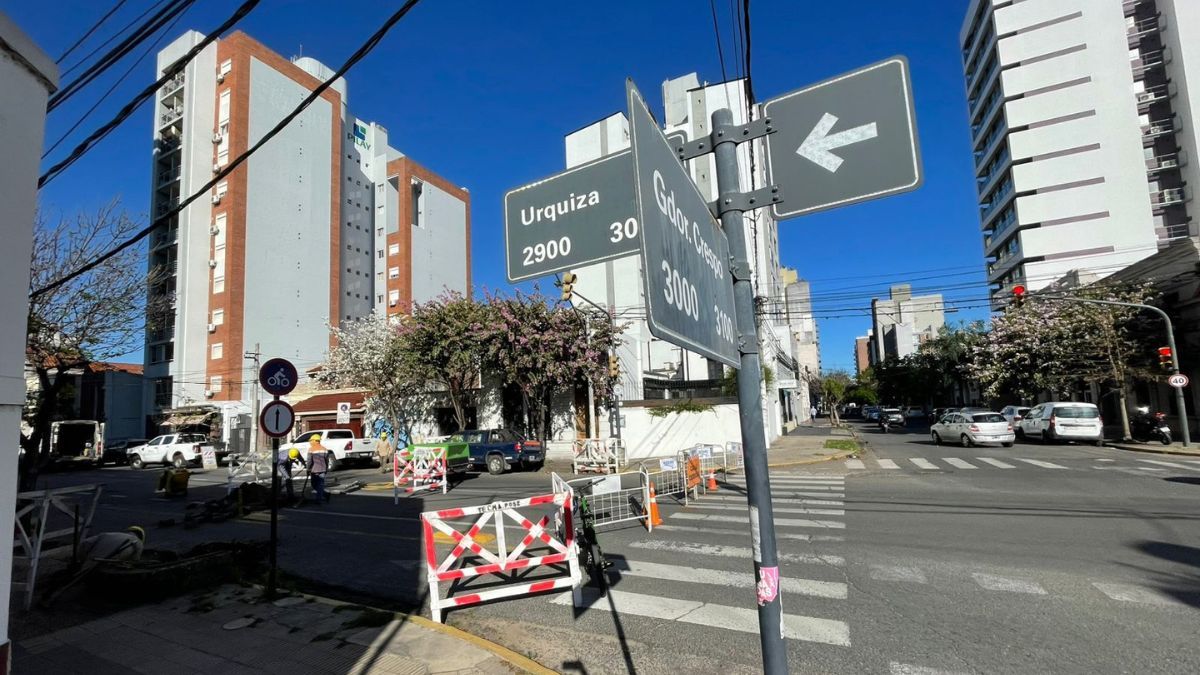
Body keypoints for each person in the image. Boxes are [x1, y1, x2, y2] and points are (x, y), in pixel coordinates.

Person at [306, 434, 332, 504]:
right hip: (323, 469)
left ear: (314, 441)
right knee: (320, 485)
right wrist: (326, 469)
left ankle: (318, 500)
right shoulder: (325, 449)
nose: (310, 442)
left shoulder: (311, 449)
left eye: (311, 440)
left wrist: (308, 469)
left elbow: (309, 461)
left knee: (314, 485)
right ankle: (325, 494)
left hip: (314, 470)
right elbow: (327, 461)